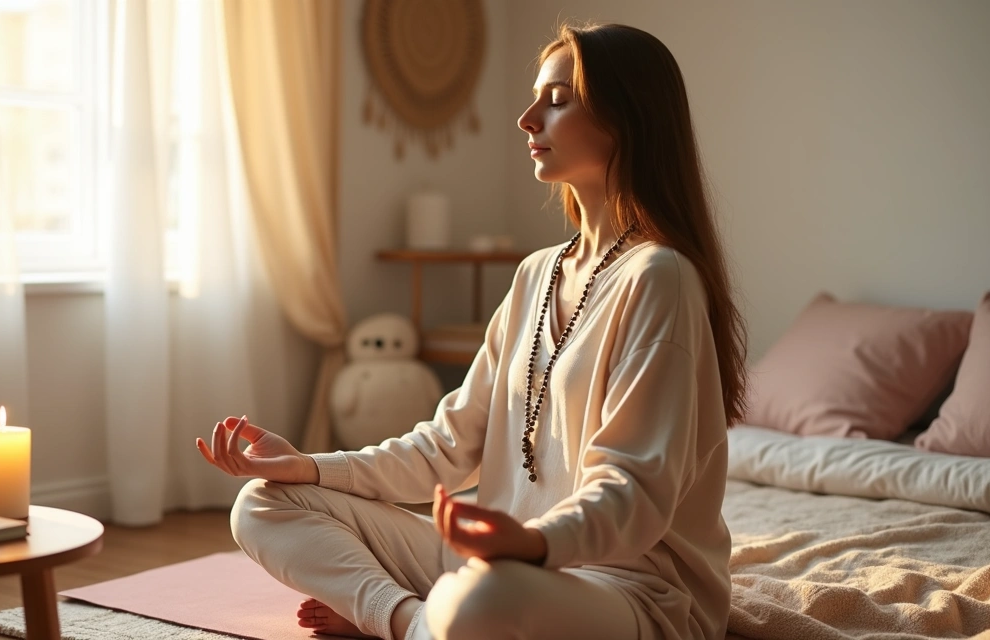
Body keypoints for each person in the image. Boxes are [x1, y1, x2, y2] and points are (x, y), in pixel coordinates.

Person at [196, 22, 747, 640]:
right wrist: (311, 468)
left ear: (631, 118)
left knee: (483, 598)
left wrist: (529, 543)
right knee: (264, 503)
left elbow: (634, 493)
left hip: (627, 592)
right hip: (501, 565)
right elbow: (447, 445)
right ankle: (407, 620)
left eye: (559, 100)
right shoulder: (536, 273)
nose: (528, 119)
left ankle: (421, 617)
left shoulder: (660, 276)